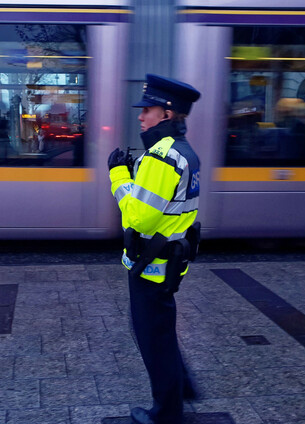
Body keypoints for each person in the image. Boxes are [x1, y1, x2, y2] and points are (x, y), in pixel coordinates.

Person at [108, 74, 202, 424]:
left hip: (151, 265)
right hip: (168, 263)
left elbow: (138, 218)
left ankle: (166, 414)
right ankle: (183, 386)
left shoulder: (161, 157)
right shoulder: (184, 152)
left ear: (167, 113)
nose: (140, 116)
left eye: (147, 110)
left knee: (153, 338)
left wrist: (118, 175)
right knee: (158, 330)